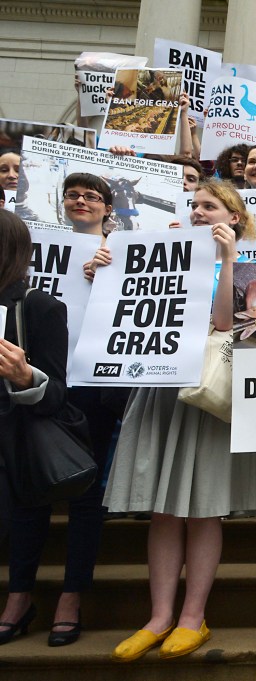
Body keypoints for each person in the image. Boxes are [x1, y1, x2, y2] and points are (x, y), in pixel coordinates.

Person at [100, 179, 256, 661]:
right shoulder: (162, 252)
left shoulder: (250, 267)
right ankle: (158, 617)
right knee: (163, 509)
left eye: (209, 206)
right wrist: (106, 268)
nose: (197, 212)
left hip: (207, 393)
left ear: (233, 218)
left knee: (203, 506)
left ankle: (193, 617)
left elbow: (223, 326)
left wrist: (226, 261)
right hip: (160, 386)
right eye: (193, 205)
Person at [1, 175, 124, 647]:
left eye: (92, 195)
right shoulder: (31, 247)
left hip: (91, 388)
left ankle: (72, 596)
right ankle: (19, 595)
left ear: (108, 208)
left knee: (84, 497)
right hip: (33, 383)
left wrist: (111, 277)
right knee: (29, 491)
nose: (81, 200)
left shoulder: (123, 251)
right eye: (74, 194)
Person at [0, 211, 70, 644]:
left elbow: (59, 392)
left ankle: (20, 597)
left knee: (23, 516)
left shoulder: (38, 306)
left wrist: (27, 379)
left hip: (14, 442)